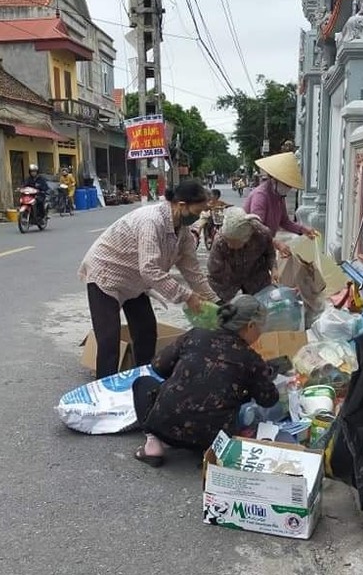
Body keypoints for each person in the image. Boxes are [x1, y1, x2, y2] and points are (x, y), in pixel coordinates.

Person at [79, 178, 216, 379]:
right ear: (182, 205)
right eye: (196, 212)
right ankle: (104, 392)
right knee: (109, 341)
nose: (197, 218)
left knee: (146, 332)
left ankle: (143, 382)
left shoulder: (183, 232)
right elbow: (150, 270)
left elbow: (192, 271)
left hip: (134, 281)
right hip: (105, 274)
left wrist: (216, 301)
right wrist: (187, 296)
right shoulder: (151, 221)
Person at [132, 295, 279, 466]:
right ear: (250, 326)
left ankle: (153, 444)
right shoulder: (251, 360)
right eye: (261, 328)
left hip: (164, 425)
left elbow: (158, 366)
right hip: (209, 438)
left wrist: (185, 376)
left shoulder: (196, 335)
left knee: (142, 383)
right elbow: (269, 399)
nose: (261, 333)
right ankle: (207, 453)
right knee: (242, 408)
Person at [244, 151, 317, 257]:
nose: (288, 188)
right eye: (286, 184)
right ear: (274, 180)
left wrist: (303, 229)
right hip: (252, 246)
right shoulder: (260, 196)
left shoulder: (279, 196)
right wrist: (276, 243)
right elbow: (257, 228)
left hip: (266, 244)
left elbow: (285, 221)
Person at [207, 207, 276, 303]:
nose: (229, 245)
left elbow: (270, 254)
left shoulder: (262, 234)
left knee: (260, 307)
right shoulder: (220, 241)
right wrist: (216, 299)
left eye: (233, 242)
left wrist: (274, 269)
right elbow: (214, 273)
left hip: (256, 275)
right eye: (227, 241)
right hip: (229, 277)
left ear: (246, 238)